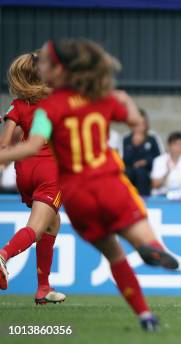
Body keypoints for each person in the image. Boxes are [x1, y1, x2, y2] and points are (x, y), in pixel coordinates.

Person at [0, 39, 179, 331]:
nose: (40, 66)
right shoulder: (101, 99)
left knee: (114, 255)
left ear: (59, 71)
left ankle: (145, 315)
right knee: (139, 235)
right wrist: (122, 99)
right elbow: (136, 122)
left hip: (77, 195)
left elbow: (31, 145)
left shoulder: (49, 109)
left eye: (45, 62)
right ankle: (151, 248)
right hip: (109, 183)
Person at [0, 51, 66, 304]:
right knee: (36, 228)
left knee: (52, 223)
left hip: (24, 170)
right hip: (50, 169)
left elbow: (5, 145)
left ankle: (43, 289)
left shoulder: (16, 105)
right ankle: (3, 255)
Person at [122, 108, 161, 196]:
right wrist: (134, 147)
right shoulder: (126, 139)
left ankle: (144, 199)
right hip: (130, 172)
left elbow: (159, 158)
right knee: (128, 173)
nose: (140, 127)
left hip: (147, 172)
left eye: (142, 124)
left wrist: (146, 161)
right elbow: (123, 159)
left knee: (141, 173)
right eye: (137, 124)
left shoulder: (153, 138)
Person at [150, 132, 181, 200]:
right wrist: (167, 172)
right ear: (169, 145)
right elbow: (155, 185)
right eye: (175, 144)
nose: (178, 148)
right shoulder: (159, 160)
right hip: (162, 196)